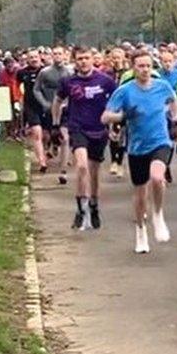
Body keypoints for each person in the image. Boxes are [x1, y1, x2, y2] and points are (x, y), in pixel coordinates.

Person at [102, 50, 177, 253]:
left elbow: (173, 103)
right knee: (140, 193)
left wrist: (174, 121)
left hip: (160, 142)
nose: (145, 70)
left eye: (148, 66)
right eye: (141, 66)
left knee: (157, 177)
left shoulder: (162, 86)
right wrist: (123, 117)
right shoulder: (125, 91)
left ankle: (158, 214)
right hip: (137, 147)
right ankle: (141, 230)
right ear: (133, 67)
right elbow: (105, 116)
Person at [52, 47, 116, 231]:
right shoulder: (68, 81)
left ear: (93, 59)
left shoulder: (105, 81)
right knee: (81, 166)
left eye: (86, 58)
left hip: (99, 129)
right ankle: (81, 209)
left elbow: (116, 102)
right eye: (79, 59)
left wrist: (115, 124)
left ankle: (94, 206)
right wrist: (56, 124)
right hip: (77, 127)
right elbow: (57, 101)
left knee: (94, 173)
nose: (83, 62)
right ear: (74, 60)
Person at [35, 46, 73, 183]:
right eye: (55, 53)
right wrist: (44, 103)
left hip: (66, 109)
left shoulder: (70, 72)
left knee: (66, 138)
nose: (57, 56)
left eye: (60, 54)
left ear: (64, 55)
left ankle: (63, 171)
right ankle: (52, 147)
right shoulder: (45, 72)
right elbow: (37, 89)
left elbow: (75, 89)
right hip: (50, 108)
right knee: (48, 135)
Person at [17, 53, 47, 172]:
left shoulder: (46, 71)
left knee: (47, 135)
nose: (34, 60)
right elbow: (17, 86)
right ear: (27, 60)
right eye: (31, 58)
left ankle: (48, 151)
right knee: (37, 133)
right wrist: (18, 100)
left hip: (45, 105)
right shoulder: (22, 73)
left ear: (40, 59)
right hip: (31, 106)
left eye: (36, 57)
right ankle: (42, 161)